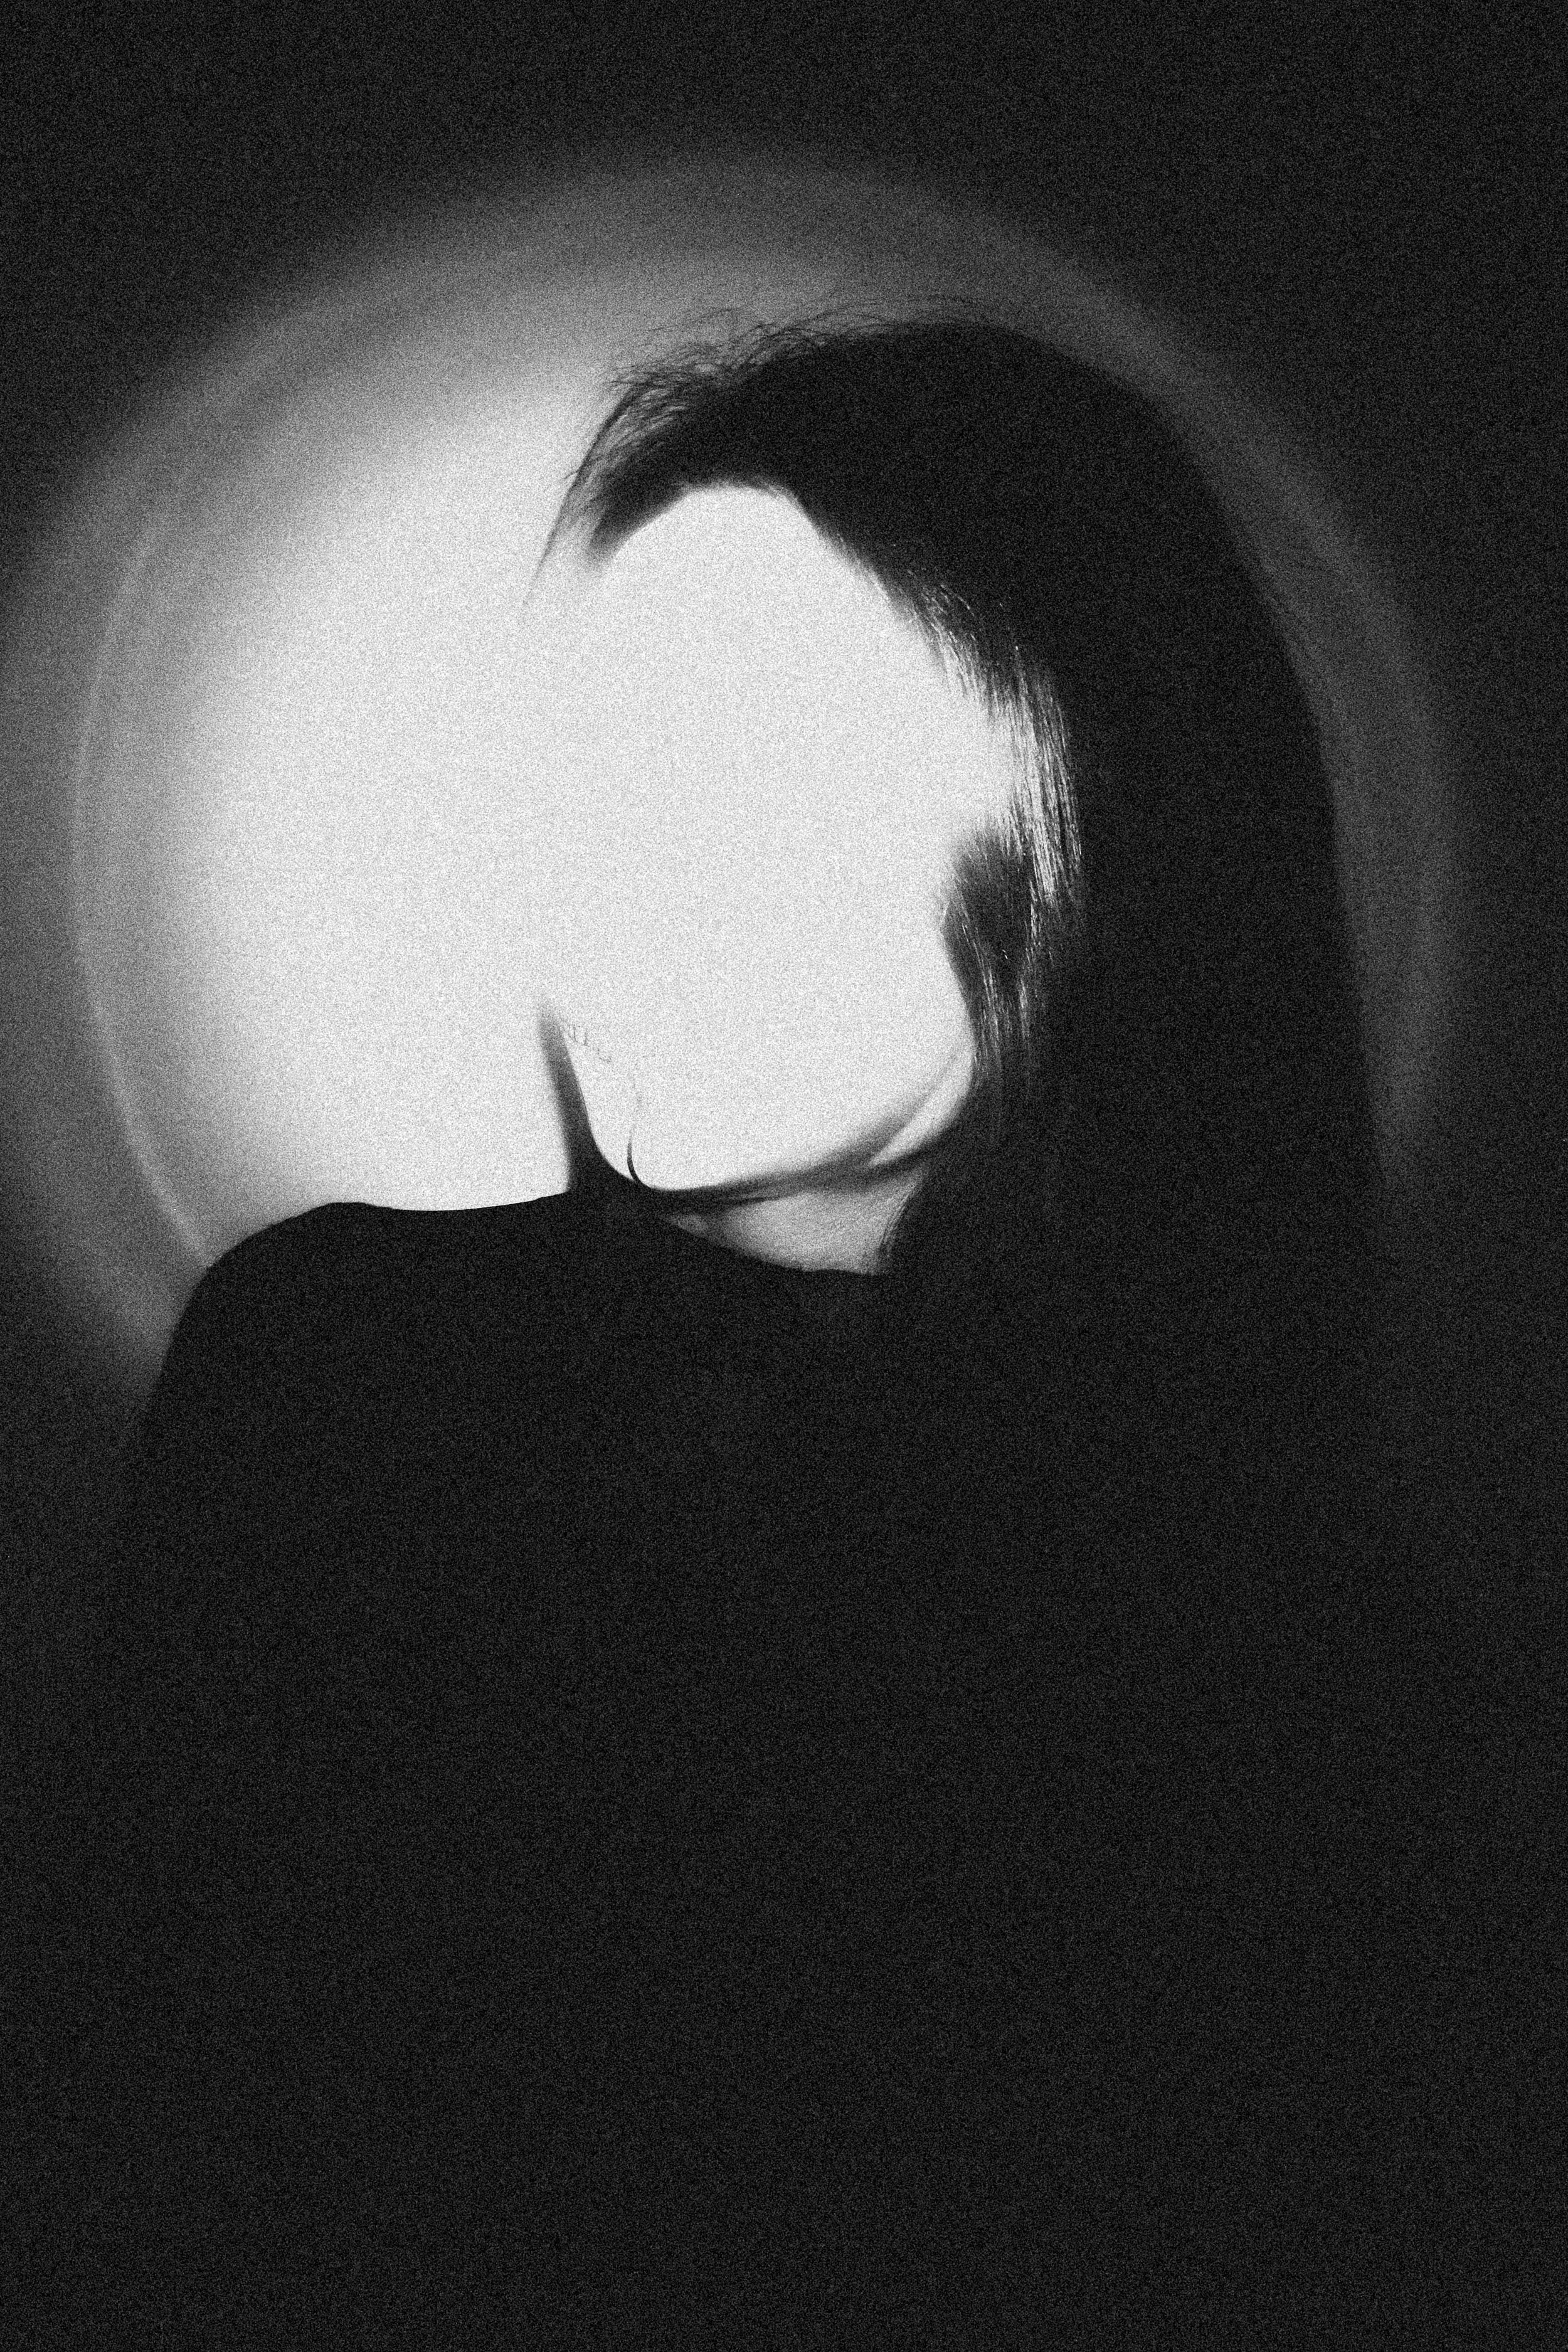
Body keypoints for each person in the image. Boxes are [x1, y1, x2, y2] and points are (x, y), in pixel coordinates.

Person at [14, 314, 1392, 2343]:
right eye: (594, 773)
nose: (622, 881)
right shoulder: (337, 1383)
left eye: (765, 774)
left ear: (1095, 816)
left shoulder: (1272, 1659)